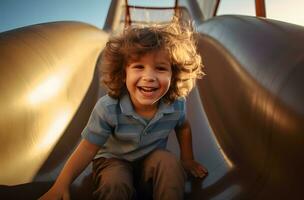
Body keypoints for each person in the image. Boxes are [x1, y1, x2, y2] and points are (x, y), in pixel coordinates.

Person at [39, 18, 208, 200]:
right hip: (113, 160)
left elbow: (183, 127)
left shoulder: (176, 104)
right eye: (139, 67)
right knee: (115, 183)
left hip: (150, 159)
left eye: (160, 68)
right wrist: (61, 185)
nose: (149, 77)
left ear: (173, 75)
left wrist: (187, 159)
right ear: (123, 73)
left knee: (170, 164)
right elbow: (87, 149)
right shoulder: (108, 108)